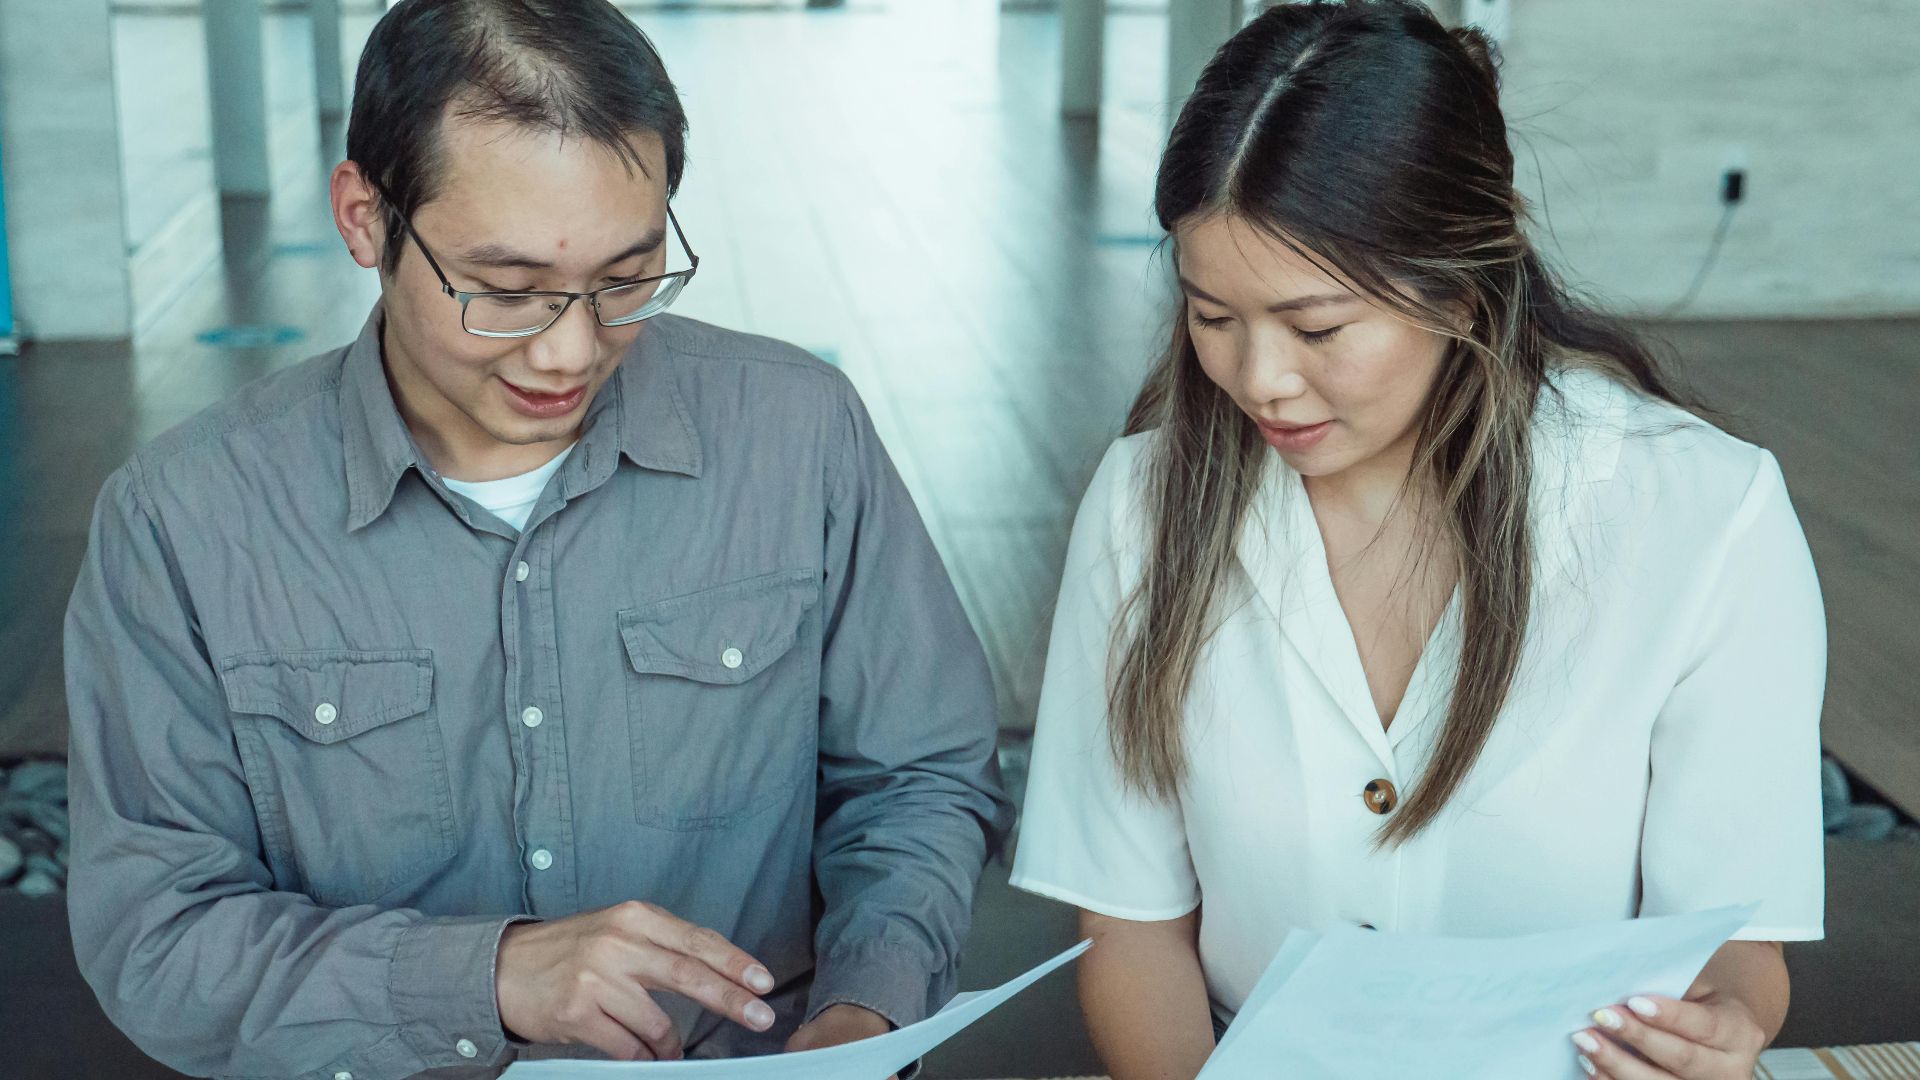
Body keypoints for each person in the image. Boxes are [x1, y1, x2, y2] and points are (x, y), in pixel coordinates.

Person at [63, 2, 1011, 1076]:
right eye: (508, 292)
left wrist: (860, 1018)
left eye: (625, 279)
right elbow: (156, 928)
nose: (570, 350)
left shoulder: (800, 434)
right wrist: (491, 977)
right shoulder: (184, 522)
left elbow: (920, 778)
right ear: (364, 217)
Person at [1009, 4, 1825, 1079]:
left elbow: (1735, 944)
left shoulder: (1707, 518)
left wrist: (1720, 1027)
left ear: (1462, 281)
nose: (1260, 379)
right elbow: (1131, 929)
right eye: (1212, 316)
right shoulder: (1143, 507)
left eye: (1318, 328)